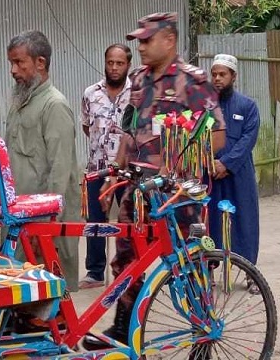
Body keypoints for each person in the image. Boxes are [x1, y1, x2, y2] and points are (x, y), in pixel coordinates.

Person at [82, 12, 226, 350]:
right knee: (126, 257)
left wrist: (174, 163)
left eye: (147, 41)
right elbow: (129, 132)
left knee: (190, 263)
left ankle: (202, 334)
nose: (142, 47)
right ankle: (121, 328)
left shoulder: (194, 82)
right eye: (140, 41)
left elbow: (217, 137)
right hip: (137, 189)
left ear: (169, 41)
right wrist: (115, 172)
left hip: (178, 193)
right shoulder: (138, 80)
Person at [5, 30, 81, 293]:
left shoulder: (54, 105)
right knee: (20, 296)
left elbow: (59, 173)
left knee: (50, 302)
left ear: (40, 63)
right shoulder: (21, 100)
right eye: (11, 63)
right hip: (20, 218)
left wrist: (45, 227)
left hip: (43, 223)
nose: (13, 70)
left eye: (19, 62)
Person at [79, 44, 132, 289]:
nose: (114, 67)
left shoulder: (136, 94)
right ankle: (95, 272)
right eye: (110, 62)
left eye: (119, 63)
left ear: (128, 65)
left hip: (126, 171)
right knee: (96, 221)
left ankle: (128, 268)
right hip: (96, 169)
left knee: (127, 220)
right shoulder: (91, 93)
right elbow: (87, 127)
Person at [208, 54, 260, 293]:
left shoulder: (247, 106)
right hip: (210, 175)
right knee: (209, 222)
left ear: (233, 76)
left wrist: (226, 163)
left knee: (244, 222)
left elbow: (248, 140)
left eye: (223, 74)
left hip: (239, 175)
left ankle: (250, 275)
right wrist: (210, 164)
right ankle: (207, 272)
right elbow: (197, 137)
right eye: (214, 74)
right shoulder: (206, 107)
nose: (217, 79)